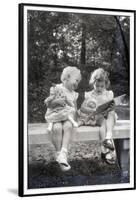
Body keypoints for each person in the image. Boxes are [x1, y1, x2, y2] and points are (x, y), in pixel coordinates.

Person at [44, 66, 81, 171]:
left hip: (67, 117)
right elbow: (49, 103)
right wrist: (56, 102)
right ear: (67, 78)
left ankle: (63, 153)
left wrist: (76, 116)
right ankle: (59, 154)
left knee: (68, 126)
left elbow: (74, 107)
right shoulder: (57, 88)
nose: (77, 83)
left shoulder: (74, 94)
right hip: (56, 116)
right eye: (76, 80)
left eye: (78, 81)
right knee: (57, 129)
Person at [78, 68, 117, 164]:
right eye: (97, 86)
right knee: (103, 123)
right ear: (93, 83)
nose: (99, 88)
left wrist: (111, 107)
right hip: (97, 118)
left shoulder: (108, 94)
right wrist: (92, 110)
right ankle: (105, 149)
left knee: (110, 114)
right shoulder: (89, 95)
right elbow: (82, 108)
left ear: (106, 84)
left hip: (108, 117)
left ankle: (107, 140)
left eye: (102, 86)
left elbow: (112, 108)